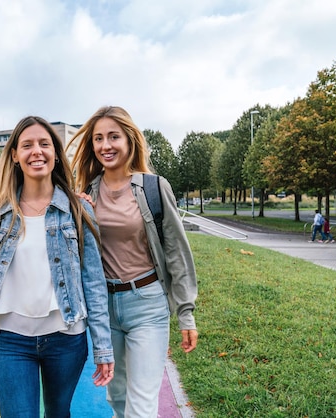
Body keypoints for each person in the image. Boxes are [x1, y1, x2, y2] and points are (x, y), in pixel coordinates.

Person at [0, 115, 114, 418]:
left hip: (66, 339)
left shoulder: (79, 210)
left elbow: (93, 282)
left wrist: (103, 346)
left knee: (57, 413)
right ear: (14, 155)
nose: (36, 151)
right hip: (12, 341)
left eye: (44, 144)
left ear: (55, 154)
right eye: (27, 145)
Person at [68, 105, 198, 418]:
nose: (105, 145)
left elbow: (177, 253)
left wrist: (186, 313)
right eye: (98, 138)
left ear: (129, 140)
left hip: (147, 305)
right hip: (105, 309)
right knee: (118, 400)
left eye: (113, 136)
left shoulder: (153, 187)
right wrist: (76, 209)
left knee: (140, 406)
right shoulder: (86, 192)